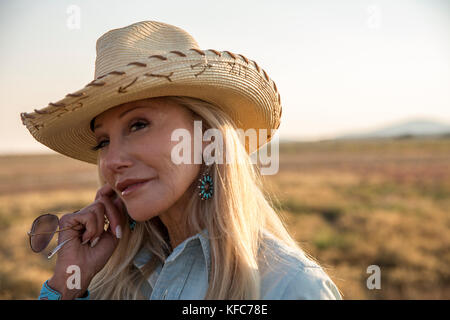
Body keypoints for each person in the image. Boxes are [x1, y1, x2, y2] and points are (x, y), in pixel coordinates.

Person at [20, 20, 342, 300]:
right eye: (103, 142)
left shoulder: (290, 288)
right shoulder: (109, 280)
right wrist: (68, 285)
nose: (113, 160)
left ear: (207, 138)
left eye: (139, 124)